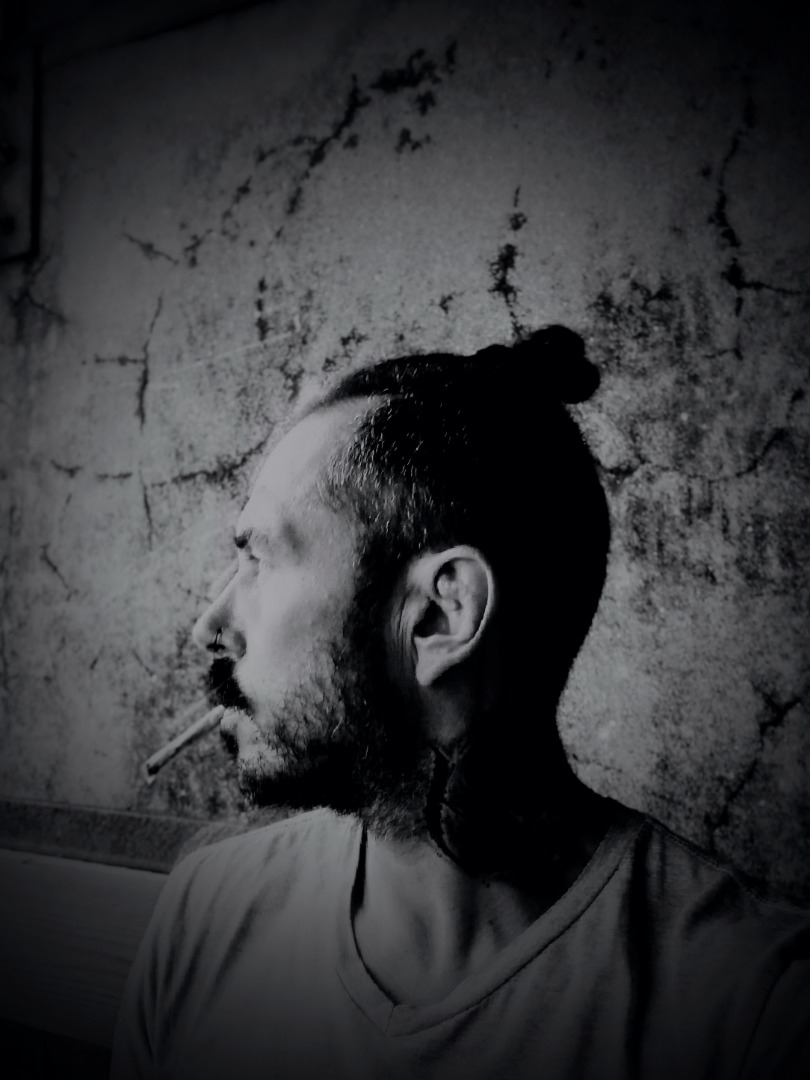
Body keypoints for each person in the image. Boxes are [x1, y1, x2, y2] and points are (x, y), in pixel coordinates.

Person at [112, 328, 810, 1079]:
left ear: (440, 617)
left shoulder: (752, 1011)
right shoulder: (206, 917)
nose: (210, 625)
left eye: (258, 558)